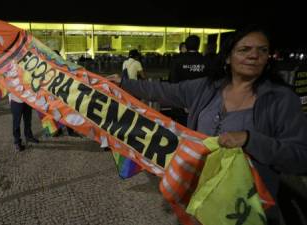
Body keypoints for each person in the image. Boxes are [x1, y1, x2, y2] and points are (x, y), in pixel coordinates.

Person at [108, 25, 307, 224]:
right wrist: (123, 84)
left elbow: (300, 158)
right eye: (244, 49)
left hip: (246, 212)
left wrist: (250, 140)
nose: (254, 55)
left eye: (262, 50)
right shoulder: (206, 87)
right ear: (228, 57)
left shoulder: (281, 99)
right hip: (200, 202)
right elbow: (163, 90)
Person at [168, 35, 208, 125]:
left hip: (180, 102)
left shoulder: (177, 60)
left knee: (181, 129)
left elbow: (172, 81)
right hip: (200, 103)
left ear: (186, 46)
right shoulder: (206, 61)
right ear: (198, 45)